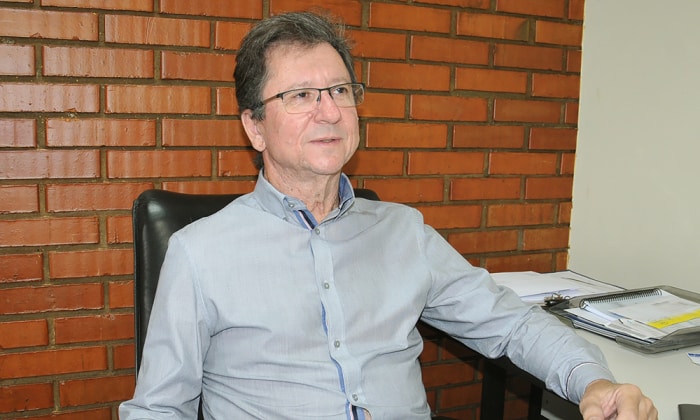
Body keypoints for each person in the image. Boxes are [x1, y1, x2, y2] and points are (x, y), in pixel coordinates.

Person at [119, 11, 657, 420]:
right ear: (255, 127)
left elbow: (511, 324)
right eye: (301, 95)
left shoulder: (403, 231)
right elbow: (159, 408)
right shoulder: (200, 252)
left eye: (339, 91)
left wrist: (593, 382)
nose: (330, 111)